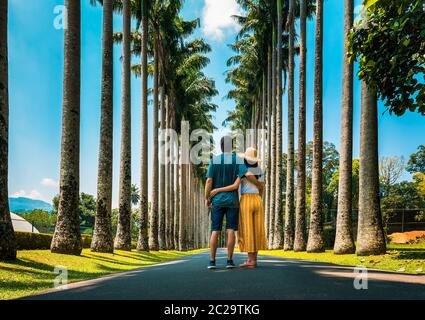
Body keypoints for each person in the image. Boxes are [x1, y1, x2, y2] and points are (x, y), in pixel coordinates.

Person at [204, 137, 261, 269]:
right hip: (232, 201)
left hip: (217, 200)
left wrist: (207, 198)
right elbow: (247, 174)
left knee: (215, 230)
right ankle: (229, 261)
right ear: (232, 147)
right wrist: (258, 184)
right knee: (230, 230)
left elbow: (209, 181)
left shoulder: (215, 160)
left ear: (221, 146)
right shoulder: (237, 160)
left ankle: (212, 261)